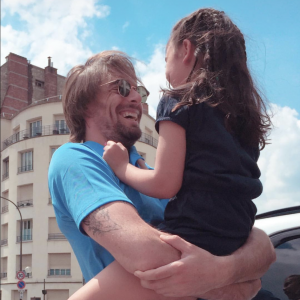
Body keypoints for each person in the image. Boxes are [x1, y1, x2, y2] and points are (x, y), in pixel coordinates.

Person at [48, 15, 275, 300]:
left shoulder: (157, 174)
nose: (136, 98)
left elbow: (264, 249)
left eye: (139, 91)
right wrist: (236, 279)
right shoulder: (74, 159)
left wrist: (221, 271)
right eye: (122, 88)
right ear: (84, 104)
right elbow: (145, 253)